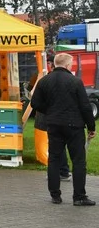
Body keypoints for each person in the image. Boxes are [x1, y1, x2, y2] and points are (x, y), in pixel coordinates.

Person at [31, 53, 96, 206]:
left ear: (54, 64)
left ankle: (55, 195)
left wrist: (50, 111)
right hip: (74, 126)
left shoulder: (44, 81)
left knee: (54, 159)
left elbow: (35, 103)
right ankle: (79, 196)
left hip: (53, 124)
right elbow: (85, 107)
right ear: (68, 65)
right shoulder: (75, 81)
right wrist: (91, 127)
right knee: (78, 161)